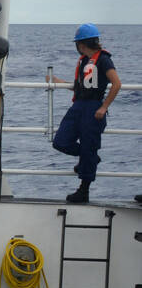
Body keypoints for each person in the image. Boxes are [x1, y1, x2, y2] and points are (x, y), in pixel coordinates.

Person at [49, 23, 120, 203]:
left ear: (81, 44)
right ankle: (90, 157)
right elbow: (82, 87)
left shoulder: (103, 59)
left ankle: (83, 190)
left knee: (88, 146)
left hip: (93, 109)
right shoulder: (85, 61)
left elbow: (116, 84)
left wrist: (103, 107)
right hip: (78, 107)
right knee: (60, 142)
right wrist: (57, 81)